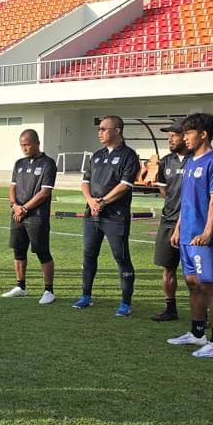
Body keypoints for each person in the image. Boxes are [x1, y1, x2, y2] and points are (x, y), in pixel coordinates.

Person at [167, 113, 213, 358]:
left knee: (210, 287)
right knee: (192, 284)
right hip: (187, 235)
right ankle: (196, 333)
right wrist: (179, 227)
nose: (185, 138)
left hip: (205, 238)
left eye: (189, 133)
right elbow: (186, 201)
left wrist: (207, 232)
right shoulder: (191, 161)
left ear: (203, 134)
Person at [74, 115, 140, 316]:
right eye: (99, 129)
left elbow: (124, 186)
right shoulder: (96, 155)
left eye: (104, 128)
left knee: (121, 258)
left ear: (117, 130)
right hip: (92, 214)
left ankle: (126, 303)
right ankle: (86, 296)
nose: (99, 132)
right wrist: (91, 201)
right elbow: (85, 182)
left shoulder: (129, 155)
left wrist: (102, 202)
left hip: (115, 216)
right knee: (89, 255)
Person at [1, 129, 57, 304]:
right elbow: (12, 187)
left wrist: (24, 208)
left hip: (36, 216)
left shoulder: (48, 163)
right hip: (18, 214)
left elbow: (45, 192)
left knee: (42, 252)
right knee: (18, 251)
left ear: (37, 143)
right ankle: (21, 286)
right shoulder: (19, 163)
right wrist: (15, 206)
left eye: (27, 144)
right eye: (22, 145)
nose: (24, 148)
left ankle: (49, 291)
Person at [152, 120, 189, 322]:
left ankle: (203, 312)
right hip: (168, 221)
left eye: (173, 135)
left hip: (192, 223)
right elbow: (164, 190)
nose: (170, 139)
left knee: (194, 272)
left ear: (186, 136)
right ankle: (170, 308)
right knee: (168, 268)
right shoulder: (166, 161)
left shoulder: (196, 160)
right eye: (168, 136)